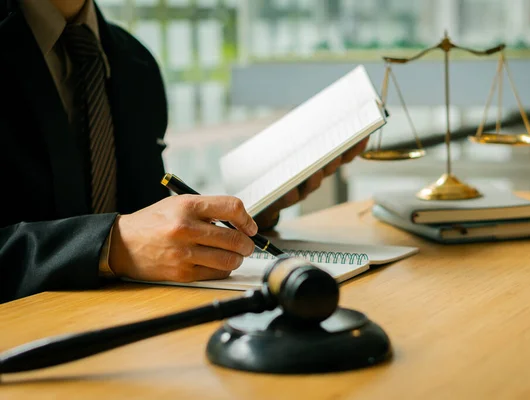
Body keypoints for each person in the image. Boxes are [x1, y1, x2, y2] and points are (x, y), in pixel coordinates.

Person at [0, 0, 368, 303]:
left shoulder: (133, 63)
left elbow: (141, 214)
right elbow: (123, 236)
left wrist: (242, 218)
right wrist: (111, 245)